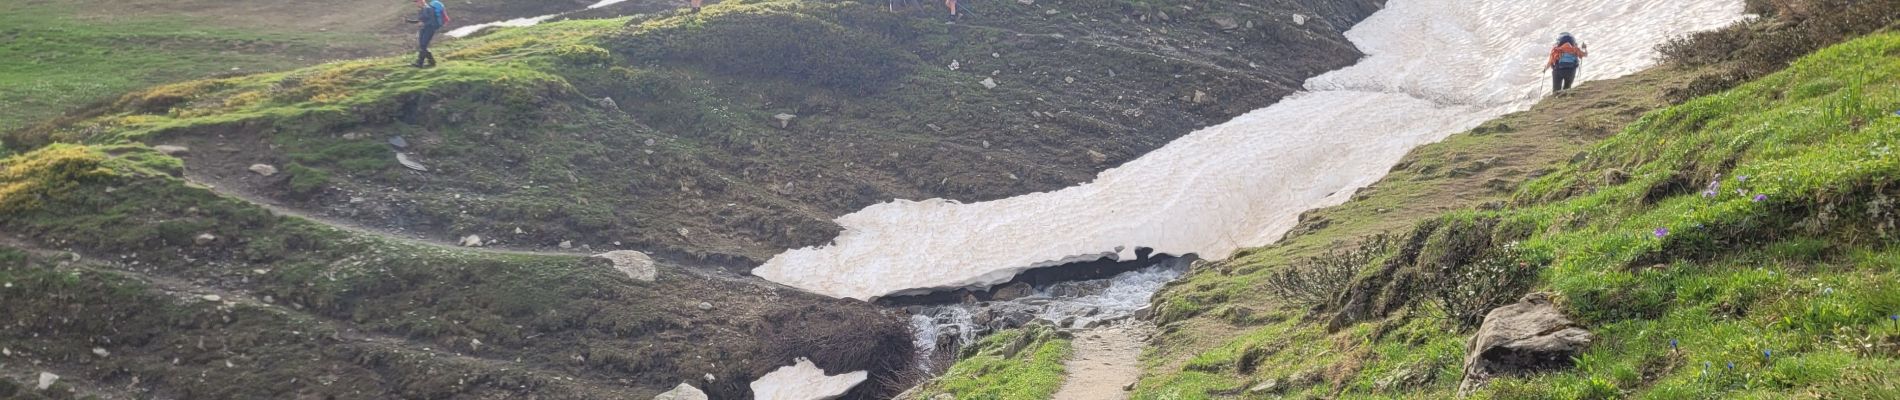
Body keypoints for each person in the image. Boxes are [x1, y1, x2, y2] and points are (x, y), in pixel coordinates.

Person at [406, 0, 450, 68]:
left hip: (430, 29)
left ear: (421, 2)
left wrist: (423, 23)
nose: (416, 4)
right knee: (422, 46)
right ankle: (431, 62)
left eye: (416, 2)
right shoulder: (422, 9)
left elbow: (432, 21)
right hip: (423, 29)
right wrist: (409, 21)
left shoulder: (429, 9)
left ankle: (420, 63)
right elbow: (421, 21)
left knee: (423, 45)